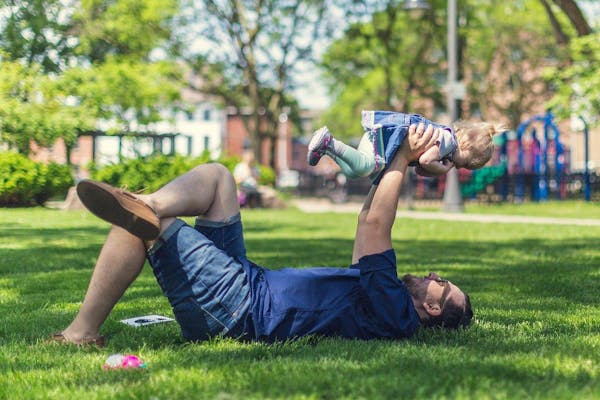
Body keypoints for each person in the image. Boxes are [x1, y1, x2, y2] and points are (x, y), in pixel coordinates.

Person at [51, 123, 472, 347]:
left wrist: (403, 155)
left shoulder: (394, 313)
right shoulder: (380, 296)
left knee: (146, 228)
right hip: (246, 282)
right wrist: (404, 162)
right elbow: (368, 221)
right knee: (219, 178)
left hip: (238, 310)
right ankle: (151, 204)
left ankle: (81, 332)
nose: (435, 276)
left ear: (434, 309)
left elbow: (380, 224)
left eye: (443, 284)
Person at [308, 110, 502, 183]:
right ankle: (329, 141)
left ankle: (326, 150)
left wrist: (433, 171)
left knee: (353, 172)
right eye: (465, 164)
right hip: (385, 139)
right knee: (366, 167)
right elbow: (425, 161)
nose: (460, 168)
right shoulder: (448, 142)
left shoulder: (445, 146)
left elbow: (419, 168)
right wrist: (440, 168)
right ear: (465, 144)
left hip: (382, 138)